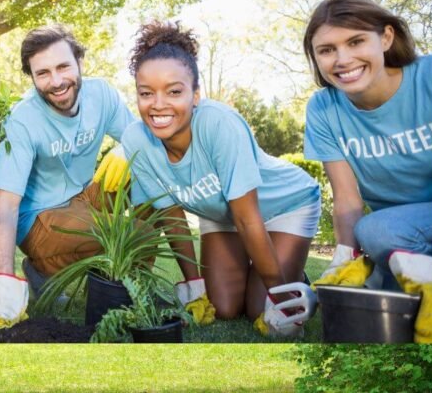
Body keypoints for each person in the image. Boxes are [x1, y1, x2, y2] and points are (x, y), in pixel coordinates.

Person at [119, 21, 321, 338]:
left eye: (174, 91)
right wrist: (194, 287)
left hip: (285, 206)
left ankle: (292, 276)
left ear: (195, 95)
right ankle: (270, 265)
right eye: (146, 93)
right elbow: (169, 214)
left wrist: (282, 301)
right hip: (222, 216)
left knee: (259, 307)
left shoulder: (219, 124)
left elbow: (247, 216)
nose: (158, 104)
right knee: (224, 307)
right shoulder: (135, 140)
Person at [303, 0, 432, 342]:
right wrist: (341, 266)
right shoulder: (324, 109)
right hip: (399, 241)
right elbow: (348, 200)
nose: (343, 59)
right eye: (327, 50)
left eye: (355, 41)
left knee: (378, 229)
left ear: (386, 37)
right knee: (390, 303)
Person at [0, 25, 135, 334]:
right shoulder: (24, 118)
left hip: (82, 199)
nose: (57, 81)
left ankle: (111, 286)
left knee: (143, 168)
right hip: (40, 217)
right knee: (130, 236)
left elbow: (144, 141)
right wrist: (5, 290)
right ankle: (49, 265)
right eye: (43, 73)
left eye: (63, 66)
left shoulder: (100, 94)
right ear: (32, 78)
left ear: (79, 62)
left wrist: (130, 148)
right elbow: (5, 206)